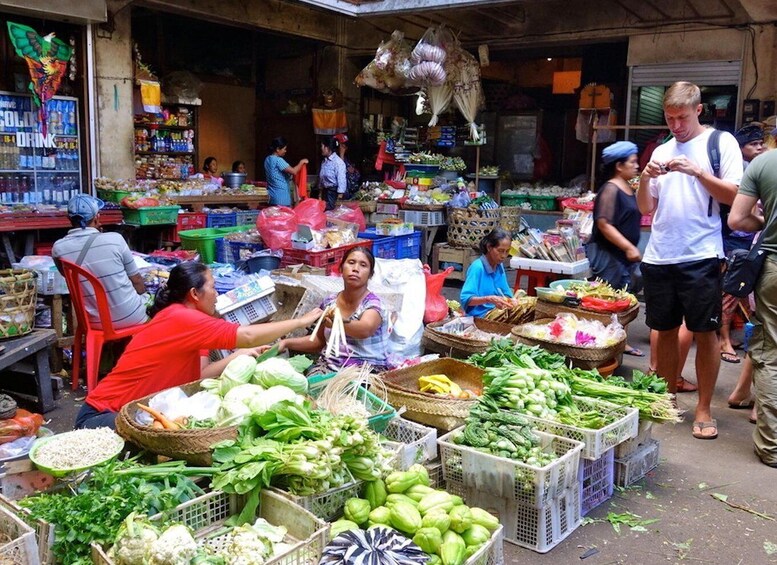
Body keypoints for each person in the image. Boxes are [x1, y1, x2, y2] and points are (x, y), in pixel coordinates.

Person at [74, 261, 322, 429]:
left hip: (133, 414)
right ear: (195, 293)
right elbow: (245, 335)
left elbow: (200, 374)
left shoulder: (191, 324)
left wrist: (241, 355)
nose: (216, 294)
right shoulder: (182, 318)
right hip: (102, 416)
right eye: (213, 287)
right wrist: (300, 321)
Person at [637, 81, 742, 440]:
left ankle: (703, 407)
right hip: (660, 254)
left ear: (699, 110)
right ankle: (667, 398)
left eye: (682, 117)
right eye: (669, 119)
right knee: (664, 330)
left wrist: (698, 172)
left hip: (701, 254)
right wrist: (644, 179)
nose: (676, 126)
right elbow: (646, 208)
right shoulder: (660, 150)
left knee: (705, 331)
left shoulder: (719, 143)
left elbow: (734, 196)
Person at [729, 148, 777, 467]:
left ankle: (771, 447)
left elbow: (737, 218)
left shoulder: (763, 163)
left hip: (774, 266)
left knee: (771, 354)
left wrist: (764, 219)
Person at [278, 246, 389, 372]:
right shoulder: (329, 303)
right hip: (329, 368)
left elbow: (365, 329)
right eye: (351, 263)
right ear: (341, 268)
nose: (355, 269)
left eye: (363, 265)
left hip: (365, 371)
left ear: (370, 274)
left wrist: (338, 321)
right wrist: (286, 343)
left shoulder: (373, 304)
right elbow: (319, 341)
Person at [53, 194, 149, 330]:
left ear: (69, 219)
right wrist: (145, 296)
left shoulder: (58, 248)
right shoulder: (116, 239)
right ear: (97, 217)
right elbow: (137, 280)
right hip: (131, 316)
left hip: (92, 323)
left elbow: (70, 277)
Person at [588, 141, 644, 356]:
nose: (637, 166)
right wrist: (628, 246)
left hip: (622, 256)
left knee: (623, 297)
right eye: (633, 162)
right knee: (609, 300)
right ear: (619, 166)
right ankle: (604, 346)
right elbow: (604, 223)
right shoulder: (610, 189)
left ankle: (620, 341)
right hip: (609, 255)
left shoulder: (627, 187)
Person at [720, 124, 765, 364]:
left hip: (747, 240)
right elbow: (736, 216)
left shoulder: (757, 167)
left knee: (737, 294)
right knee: (731, 292)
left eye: (760, 143)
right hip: (734, 241)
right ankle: (723, 340)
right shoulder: (742, 171)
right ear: (740, 149)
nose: (759, 148)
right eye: (753, 144)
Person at [460, 228, 514, 318]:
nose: (504, 256)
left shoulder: (499, 266)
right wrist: (489, 299)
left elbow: (506, 293)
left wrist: (511, 300)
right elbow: (466, 299)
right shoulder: (477, 267)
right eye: (500, 251)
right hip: (480, 317)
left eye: (507, 251)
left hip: (496, 313)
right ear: (489, 247)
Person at [264, 137, 308, 206]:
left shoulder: (267, 159)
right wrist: (301, 162)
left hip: (272, 197)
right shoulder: (278, 160)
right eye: (284, 149)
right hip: (282, 199)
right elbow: (294, 171)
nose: (285, 151)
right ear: (278, 149)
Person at [318, 136, 347, 210]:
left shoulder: (338, 162)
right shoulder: (324, 161)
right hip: (325, 193)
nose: (321, 148)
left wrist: (339, 198)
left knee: (331, 215)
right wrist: (320, 194)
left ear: (327, 147)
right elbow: (321, 179)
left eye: (322, 146)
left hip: (333, 194)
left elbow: (341, 180)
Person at [334, 133, 361, 199]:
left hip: (350, 192)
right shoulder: (333, 158)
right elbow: (340, 171)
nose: (345, 147)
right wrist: (341, 154)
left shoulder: (346, 158)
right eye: (342, 145)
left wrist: (353, 170)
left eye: (345, 145)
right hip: (339, 193)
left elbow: (355, 174)